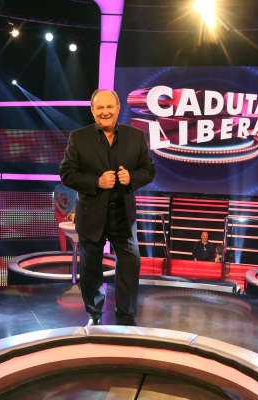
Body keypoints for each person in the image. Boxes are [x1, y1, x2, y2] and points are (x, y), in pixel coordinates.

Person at [60, 89, 155, 326]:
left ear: (118, 109)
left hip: (123, 215)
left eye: (109, 107)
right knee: (90, 268)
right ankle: (94, 313)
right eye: (100, 107)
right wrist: (96, 182)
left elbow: (149, 171)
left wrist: (131, 178)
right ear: (92, 111)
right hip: (91, 215)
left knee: (130, 263)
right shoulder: (78, 138)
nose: (105, 112)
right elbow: (67, 174)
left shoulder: (135, 136)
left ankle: (126, 315)